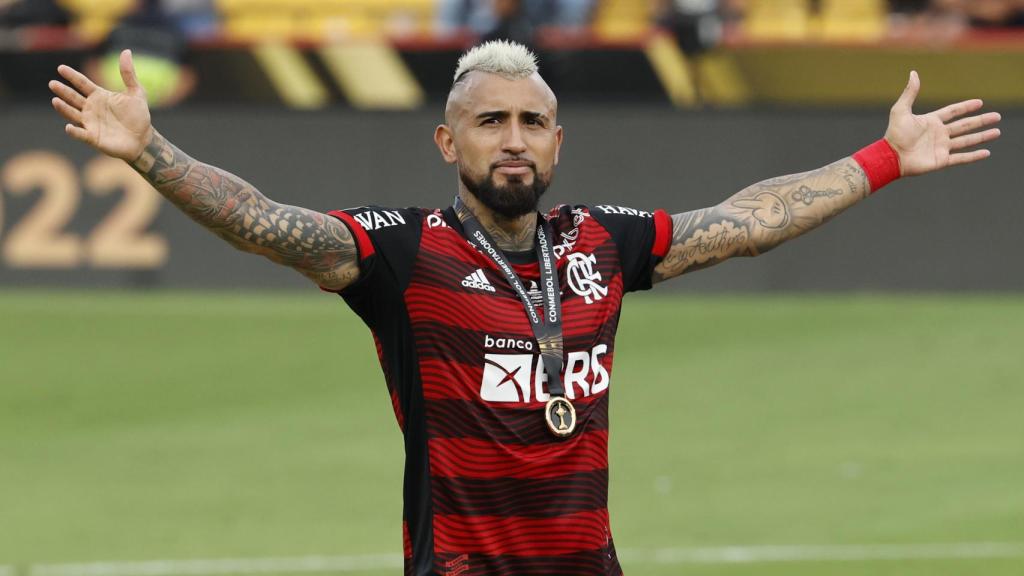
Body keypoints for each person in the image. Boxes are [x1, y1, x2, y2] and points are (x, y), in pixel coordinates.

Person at [47, 40, 1000, 576]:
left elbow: (743, 221)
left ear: (556, 139)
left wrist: (880, 160)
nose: (514, 140)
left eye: (532, 122)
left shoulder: (600, 243)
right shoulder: (402, 253)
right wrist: (151, 154)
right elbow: (267, 223)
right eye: (490, 121)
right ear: (445, 139)